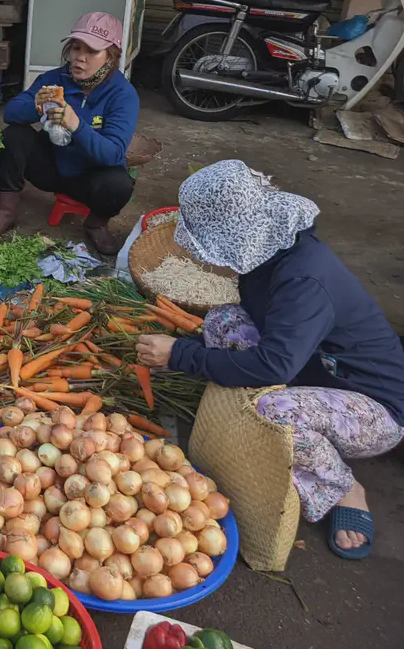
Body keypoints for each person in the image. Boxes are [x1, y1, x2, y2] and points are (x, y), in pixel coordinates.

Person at [136, 160, 404, 560]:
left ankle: (344, 486)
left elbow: (275, 365)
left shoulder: (304, 279)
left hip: (373, 407)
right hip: (308, 370)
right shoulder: (268, 254)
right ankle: (280, 411)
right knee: (222, 319)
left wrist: (180, 355)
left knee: (270, 410)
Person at [0, 12, 140, 255]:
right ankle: (5, 212)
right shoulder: (55, 79)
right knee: (14, 135)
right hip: (51, 167)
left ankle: (96, 224)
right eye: (76, 48)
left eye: (92, 51)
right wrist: (35, 105)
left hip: (90, 177)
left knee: (120, 184)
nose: (80, 58)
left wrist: (77, 125)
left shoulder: (122, 95)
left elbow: (114, 153)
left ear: (111, 56)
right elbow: (10, 113)